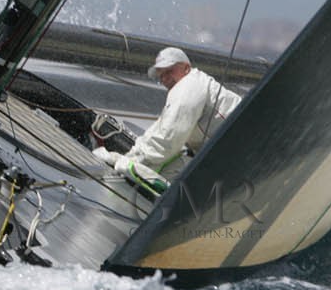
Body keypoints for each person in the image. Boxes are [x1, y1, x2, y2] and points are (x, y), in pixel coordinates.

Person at [94, 47, 242, 188]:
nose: (164, 79)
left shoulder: (188, 86)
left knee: (160, 168)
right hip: (229, 158)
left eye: (169, 71)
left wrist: (128, 163)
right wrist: (130, 155)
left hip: (239, 157)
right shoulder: (190, 85)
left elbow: (167, 139)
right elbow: (160, 129)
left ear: (186, 67)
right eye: (161, 75)